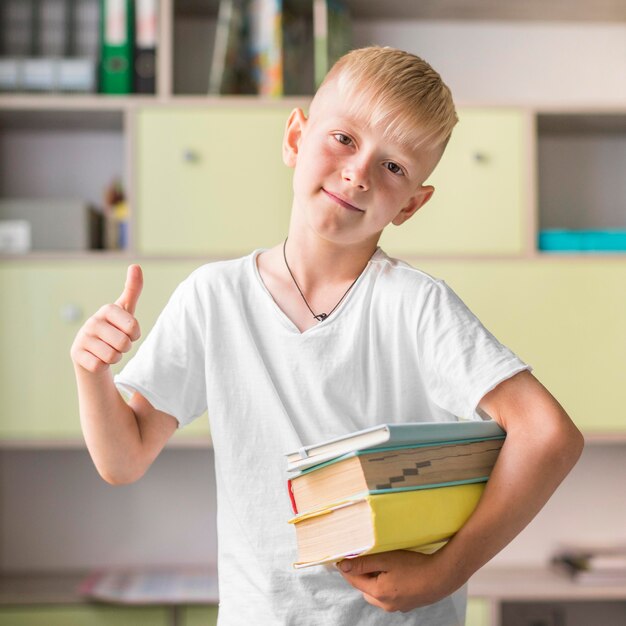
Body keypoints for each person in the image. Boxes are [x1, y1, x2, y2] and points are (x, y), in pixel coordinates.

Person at [70, 46, 584, 625]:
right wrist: (93, 374)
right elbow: (124, 457)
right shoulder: (213, 297)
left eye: (393, 167)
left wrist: (447, 570)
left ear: (411, 205)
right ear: (296, 138)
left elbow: (548, 435)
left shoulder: (417, 306)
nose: (358, 172)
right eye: (344, 138)